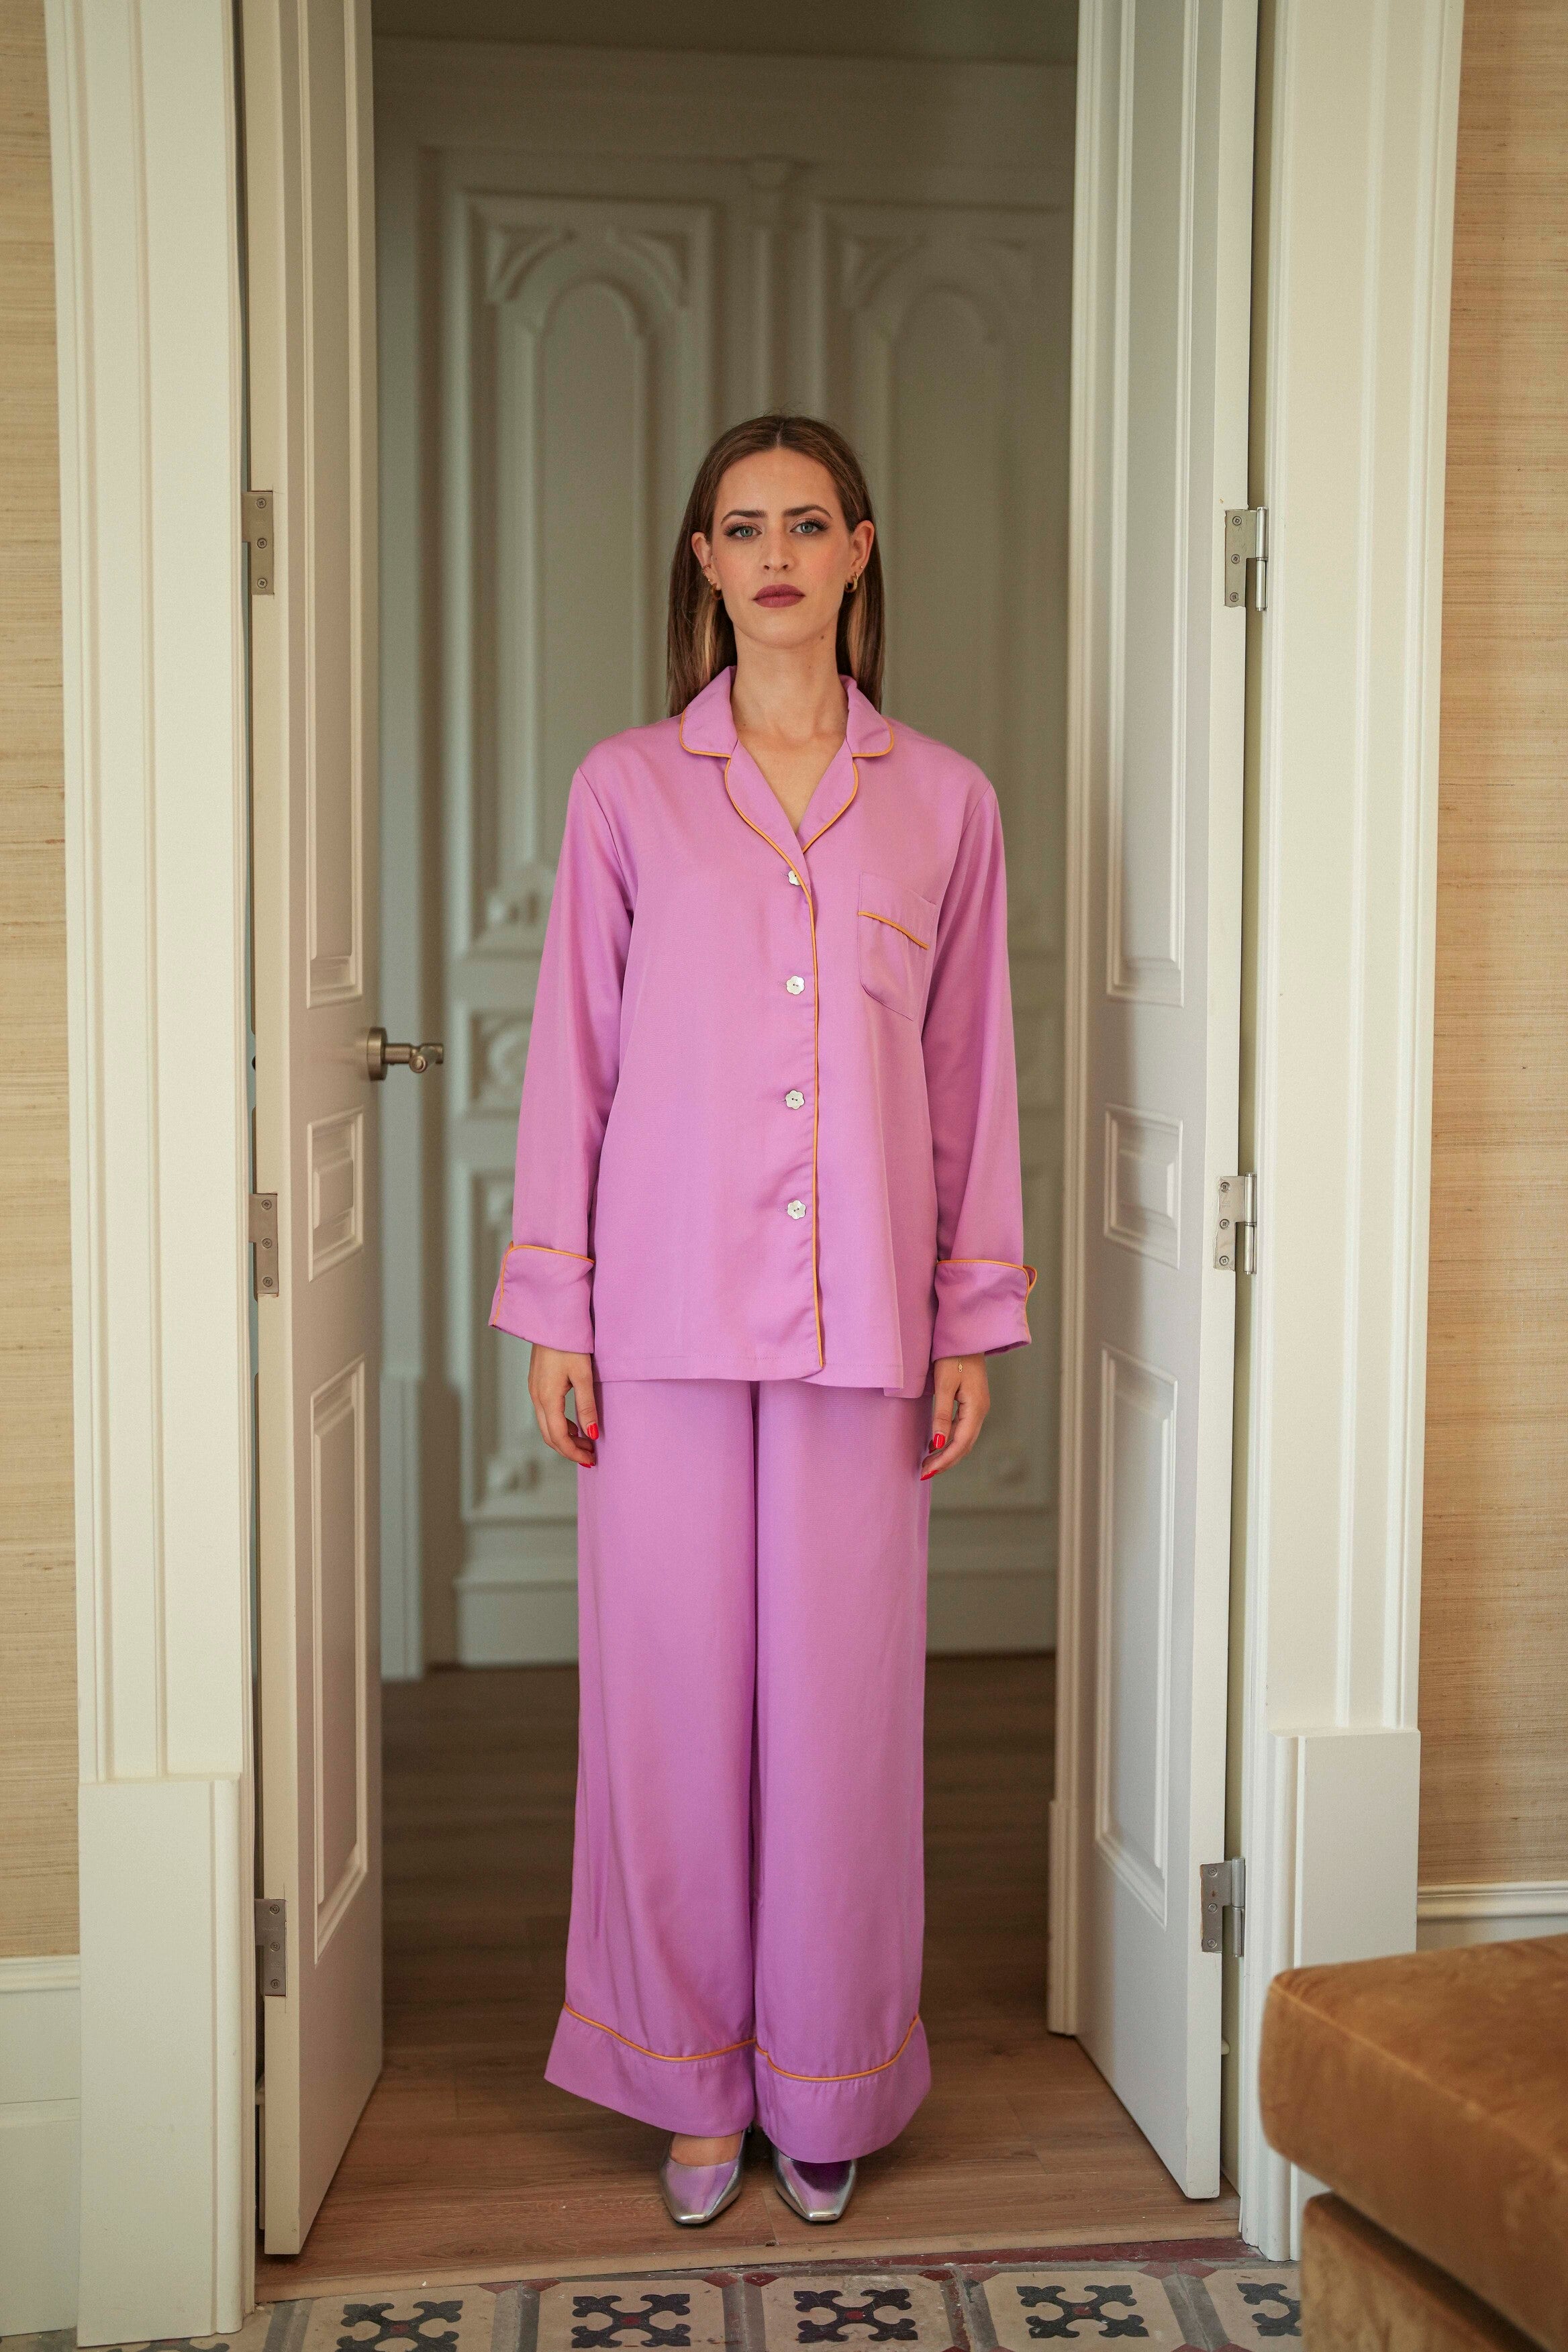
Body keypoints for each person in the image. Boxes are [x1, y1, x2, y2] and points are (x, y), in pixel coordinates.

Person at [489, 412, 1034, 2228]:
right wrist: (556, 1309)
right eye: (744, 527)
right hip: (654, 1313)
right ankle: (684, 2078)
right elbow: (572, 1057)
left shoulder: (945, 801)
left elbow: (968, 1080)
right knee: (665, 1712)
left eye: (809, 524)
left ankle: (827, 2079)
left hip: (864, 1325)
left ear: (861, 551)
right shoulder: (627, 790)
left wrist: (970, 1320)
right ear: (705, 562)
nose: (778, 555)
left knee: (841, 1725)